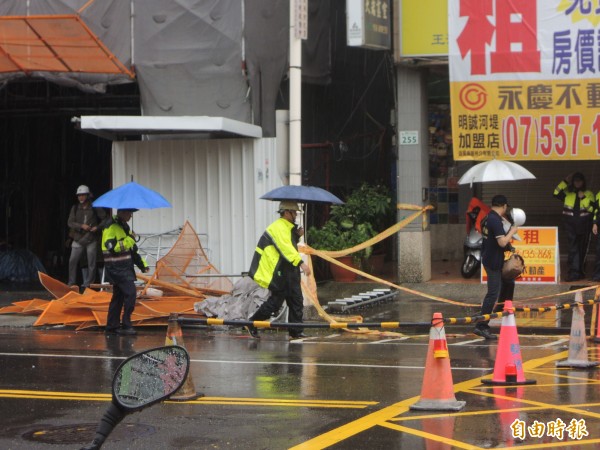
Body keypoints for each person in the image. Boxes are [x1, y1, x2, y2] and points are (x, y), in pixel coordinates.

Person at [246, 200, 311, 339]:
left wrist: (297, 235)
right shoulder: (278, 227)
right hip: (281, 271)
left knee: (296, 301)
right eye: (294, 212)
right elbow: (285, 249)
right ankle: (252, 322)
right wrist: (301, 263)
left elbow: (288, 244)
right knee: (275, 303)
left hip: (288, 270)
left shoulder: (287, 228)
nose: (295, 215)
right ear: (286, 212)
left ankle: (296, 331)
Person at [473, 195, 519, 340]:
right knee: (492, 293)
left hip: (490, 258)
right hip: (493, 262)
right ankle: (482, 326)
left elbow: (492, 240)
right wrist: (513, 231)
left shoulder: (487, 218)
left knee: (508, 283)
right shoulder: (494, 220)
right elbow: (501, 242)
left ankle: (502, 310)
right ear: (504, 206)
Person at [102, 208, 149, 336]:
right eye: (129, 213)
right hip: (116, 268)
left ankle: (112, 326)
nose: (131, 216)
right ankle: (126, 324)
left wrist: (142, 265)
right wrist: (129, 238)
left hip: (124, 268)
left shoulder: (124, 227)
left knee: (118, 297)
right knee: (131, 293)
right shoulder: (110, 227)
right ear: (122, 213)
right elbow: (112, 248)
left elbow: (132, 249)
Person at [67, 185, 110, 290]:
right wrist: (81, 226)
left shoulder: (96, 207)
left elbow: (105, 219)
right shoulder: (75, 207)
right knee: (72, 261)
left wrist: (97, 227)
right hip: (78, 238)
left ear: (87, 195)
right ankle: (71, 283)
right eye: (79, 195)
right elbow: (70, 222)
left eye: (82, 195)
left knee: (92, 262)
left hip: (91, 238)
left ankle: (88, 284)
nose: (80, 197)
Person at [553, 172, 595, 281]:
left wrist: (583, 197)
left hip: (584, 226)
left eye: (579, 180)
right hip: (570, 226)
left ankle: (579, 272)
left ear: (583, 182)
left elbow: (592, 209)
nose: (577, 183)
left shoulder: (589, 193)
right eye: (575, 181)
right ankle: (574, 273)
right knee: (573, 249)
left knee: (582, 250)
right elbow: (555, 192)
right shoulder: (568, 193)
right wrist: (565, 181)